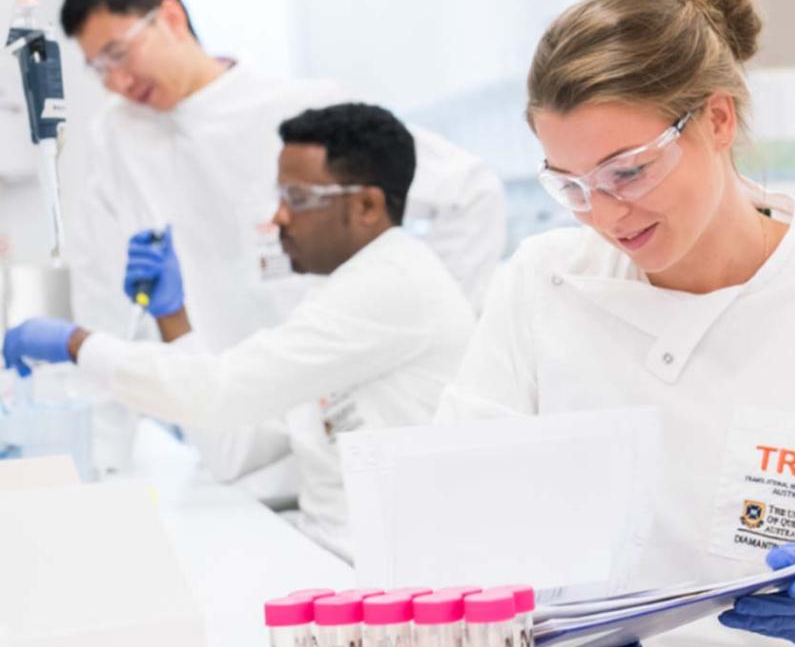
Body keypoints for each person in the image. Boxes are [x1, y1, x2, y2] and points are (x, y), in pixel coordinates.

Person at [437, 0, 795, 647]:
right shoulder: (542, 282)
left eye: (628, 171)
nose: (604, 214)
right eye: (571, 186)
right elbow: (454, 514)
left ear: (718, 120)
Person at [59, 0, 505, 490]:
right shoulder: (118, 135)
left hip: (347, 418)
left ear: (171, 19)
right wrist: (99, 461)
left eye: (118, 54)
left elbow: (471, 193)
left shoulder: (299, 111)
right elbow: (102, 288)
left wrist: (419, 331)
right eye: (97, 69)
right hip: (229, 429)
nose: (117, 81)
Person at [4, 103, 476, 559]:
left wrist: (76, 343)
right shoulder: (347, 293)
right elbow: (231, 445)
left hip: (383, 577)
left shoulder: (393, 287)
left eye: (297, 198)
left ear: (368, 206)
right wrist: (174, 319)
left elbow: (219, 392)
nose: (278, 218)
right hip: (332, 554)